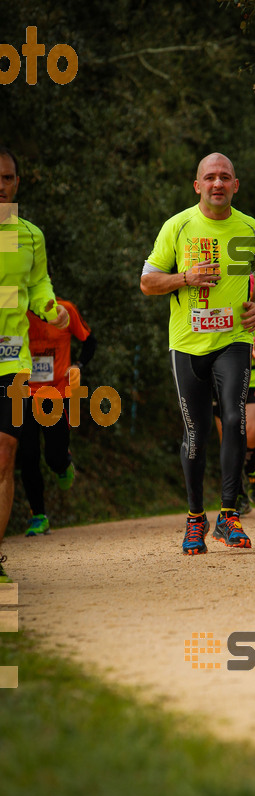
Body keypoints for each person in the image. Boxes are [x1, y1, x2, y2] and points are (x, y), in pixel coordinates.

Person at [140, 152, 255, 555]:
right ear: (197, 185)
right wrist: (185, 277)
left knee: (235, 419)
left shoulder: (251, 228)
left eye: (225, 177)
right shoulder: (176, 226)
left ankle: (228, 516)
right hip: (187, 344)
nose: (217, 183)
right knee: (196, 433)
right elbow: (147, 282)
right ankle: (196, 518)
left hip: (232, 340)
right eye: (210, 177)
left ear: (235, 185)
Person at [0, 146, 69, 582]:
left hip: (10, 355)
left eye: (7, 178)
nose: (0, 186)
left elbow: (36, 282)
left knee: (5, 454)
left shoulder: (29, 235)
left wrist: (48, 306)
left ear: (17, 183)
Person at [19, 298, 96, 536]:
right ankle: (38, 516)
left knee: (54, 457)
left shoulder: (65, 309)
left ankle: (64, 464)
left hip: (57, 392)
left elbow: (89, 341)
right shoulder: (14, 307)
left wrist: (78, 365)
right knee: (27, 456)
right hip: (22, 391)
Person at [213, 289, 255, 515]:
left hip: (254, 377)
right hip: (223, 378)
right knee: (229, 437)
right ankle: (237, 491)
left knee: (251, 432)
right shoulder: (221, 297)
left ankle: (252, 471)